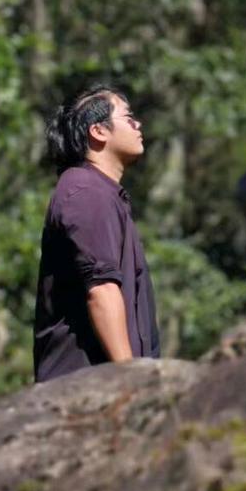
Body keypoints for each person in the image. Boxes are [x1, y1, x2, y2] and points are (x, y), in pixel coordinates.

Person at [33, 85, 160, 382]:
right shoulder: (86, 191)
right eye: (128, 118)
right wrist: (129, 381)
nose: (137, 124)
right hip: (82, 393)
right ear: (99, 132)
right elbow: (101, 290)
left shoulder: (103, 194)